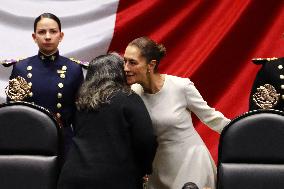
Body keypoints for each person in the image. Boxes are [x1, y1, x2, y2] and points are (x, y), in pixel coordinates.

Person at [123, 36, 231, 189]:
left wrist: (241, 134)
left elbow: (212, 118)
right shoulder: (133, 93)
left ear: (151, 65)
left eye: (132, 62)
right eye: (125, 61)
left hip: (192, 164)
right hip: (159, 170)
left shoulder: (181, 86)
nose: (126, 68)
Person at [57, 53, 157, 189]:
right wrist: (144, 168)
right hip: (115, 178)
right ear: (118, 72)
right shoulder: (128, 98)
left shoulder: (81, 102)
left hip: (73, 177)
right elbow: (147, 139)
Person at [1, 13, 85, 156]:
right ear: (34, 37)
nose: (47, 36)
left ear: (61, 35)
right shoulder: (21, 68)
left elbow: (80, 116)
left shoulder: (74, 69)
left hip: (63, 141)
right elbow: (13, 113)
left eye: (53, 31)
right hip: (29, 140)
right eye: (42, 32)